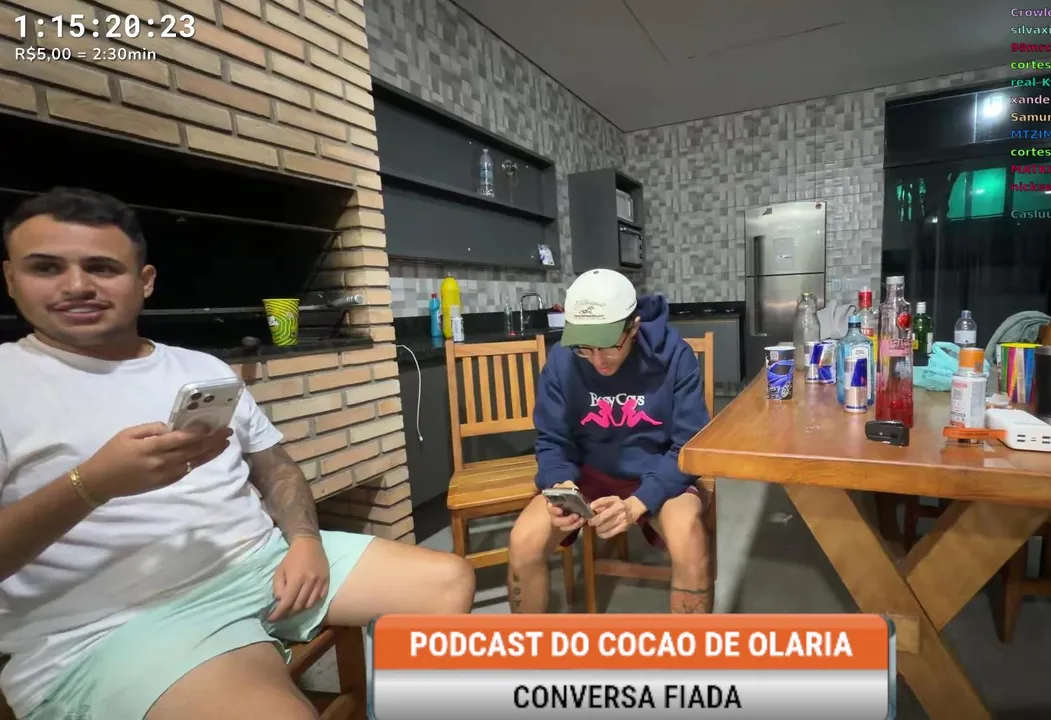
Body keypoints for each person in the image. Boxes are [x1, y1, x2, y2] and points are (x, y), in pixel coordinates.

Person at [0, 187, 475, 720]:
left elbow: (276, 468)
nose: (76, 286)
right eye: (46, 267)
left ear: (145, 281)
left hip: (260, 563)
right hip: (119, 624)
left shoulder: (201, 368)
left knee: (446, 582)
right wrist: (92, 484)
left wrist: (304, 541)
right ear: (11, 279)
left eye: (101, 268)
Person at [506, 269, 712, 614]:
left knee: (692, 545)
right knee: (522, 542)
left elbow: (688, 445)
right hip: (586, 472)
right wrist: (560, 484)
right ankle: (525, 646)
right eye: (585, 349)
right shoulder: (561, 360)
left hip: (656, 468)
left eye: (609, 346)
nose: (599, 361)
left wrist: (640, 501)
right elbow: (552, 439)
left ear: (633, 327)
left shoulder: (676, 356)